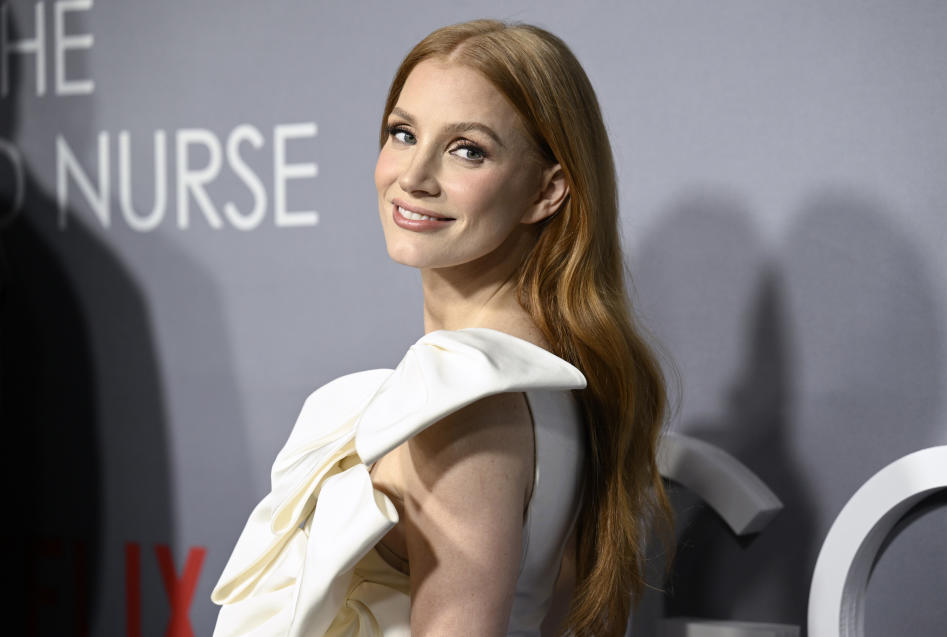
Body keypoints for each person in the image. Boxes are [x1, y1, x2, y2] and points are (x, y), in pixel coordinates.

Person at [211, 19, 671, 637]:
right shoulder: (544, 380)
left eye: (467, 150)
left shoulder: (460, 397)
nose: (414, 176)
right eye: (403, 134)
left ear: (547, 191)